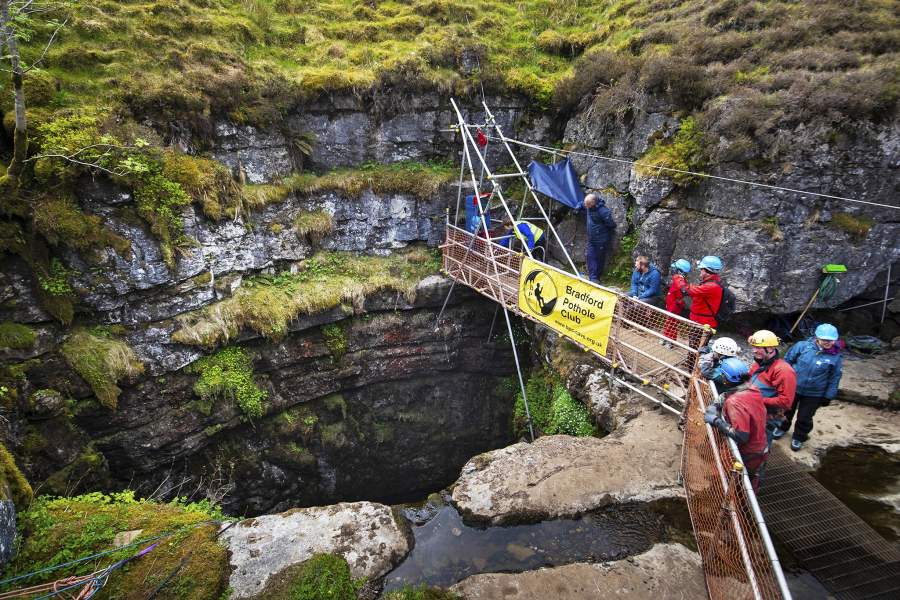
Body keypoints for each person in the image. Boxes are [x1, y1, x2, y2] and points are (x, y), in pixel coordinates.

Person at [776, 323, 843, 451]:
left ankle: (799, 437)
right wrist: (782, 381)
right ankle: (781, 428)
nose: (827, 342)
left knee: (805, 417)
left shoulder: (836, 356)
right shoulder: (802, 346)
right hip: (794, 387)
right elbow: (787, 361)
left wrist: (828, 396)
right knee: (786, 410)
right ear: (817, 337)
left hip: (815, 393)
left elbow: (835, 377)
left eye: (830, 340)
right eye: (824, 340)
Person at [704, 370, 769, 491]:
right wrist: (716, 404)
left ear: (726, 380)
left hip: (748, 452)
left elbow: (741, 436)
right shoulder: (752, 390)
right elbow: (728, 395)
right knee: (749, 479)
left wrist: (716, 420)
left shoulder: (734, 402)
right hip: (760, 448)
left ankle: (732, 503)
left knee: (737, 484)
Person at [747, 329, 797, 448]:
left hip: (767, 416)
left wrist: (756, 399)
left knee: (759, 446)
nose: (754, 350)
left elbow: (785, 401)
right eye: (753, 347)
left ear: (770, 348)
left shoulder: (783, 371)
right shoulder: (760, 363)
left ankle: (758, 465)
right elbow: (749, 379)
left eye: (758, 347)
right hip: (753, 410)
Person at [681, 256, 725, 331]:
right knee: (695, 342)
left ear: (707, 271)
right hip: (701, 321)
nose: (700, 271)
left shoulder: (711, 286)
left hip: (703, 323)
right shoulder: (710, 282)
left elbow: (687, 290)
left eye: (702, 269)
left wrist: (679, 278)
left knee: (697, 342)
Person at [581, 193, 616, 283]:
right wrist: (578, 207)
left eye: (588, 204)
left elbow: (611, 224)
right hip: (591, 239)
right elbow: (582, 205)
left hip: (601, 240)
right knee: (590, 256)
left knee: (599, 258)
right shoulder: (589, 206)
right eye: (586, 204)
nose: (586, 206)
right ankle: (592, 277)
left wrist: (601, 231)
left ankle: (597, 277)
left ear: (593, 202)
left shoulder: (603, 211)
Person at [663, 259, 690, 340]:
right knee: (668, 323)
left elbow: (680, 298)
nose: (673, 270)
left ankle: (671, 340)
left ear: (679, 271)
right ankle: (666, 337)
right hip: (671, 306)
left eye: (675, 268)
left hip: (674, 308)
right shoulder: (677, 281)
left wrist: (674, 306)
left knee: (672, 324)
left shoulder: (680, 282)